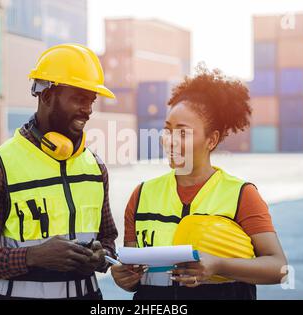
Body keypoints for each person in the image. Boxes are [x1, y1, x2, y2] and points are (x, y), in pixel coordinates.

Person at [111, 66, 288, 300]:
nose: (170, 141)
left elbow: (279, 268)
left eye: (183, 133)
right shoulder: (142, 195)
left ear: (211, 139)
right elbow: (135, 275)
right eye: (167, 130)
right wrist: (124, 277)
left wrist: (219, 266)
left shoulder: (241, 194)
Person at [0, 44, 118, 300]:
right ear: (46, 96)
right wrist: (34, 257)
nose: (88, 110)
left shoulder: (95, 168)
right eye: (79, 98)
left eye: (91, 100)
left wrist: (102, 256)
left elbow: (108, 237)